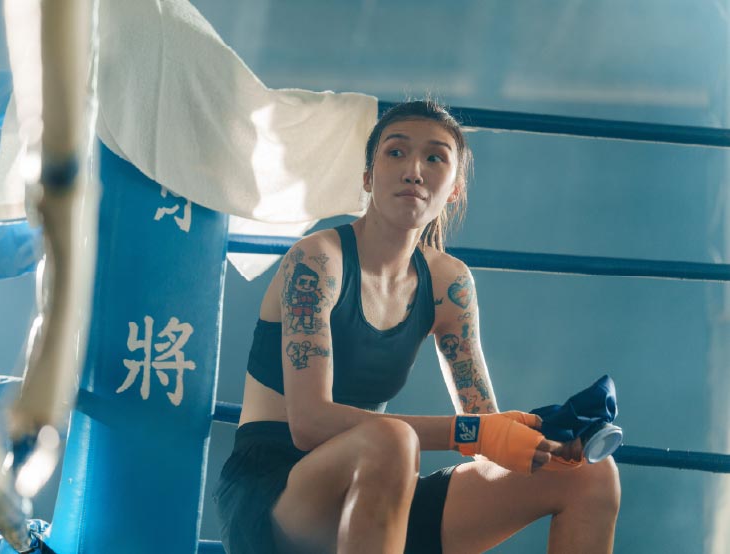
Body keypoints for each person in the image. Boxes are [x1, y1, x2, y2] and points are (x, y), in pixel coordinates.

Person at [213, 99, 621, 554]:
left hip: (383, 489)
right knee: (391, 440)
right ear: (367, 178)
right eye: (396, 152)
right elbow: (309, 424)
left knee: (589, 475)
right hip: (277, 493)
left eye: (434, 158)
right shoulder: (317, 261)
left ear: (455, 190)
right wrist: (472, 433)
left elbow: (483, 430)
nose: (413, 171)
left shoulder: (449, 282)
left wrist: (544, 437)